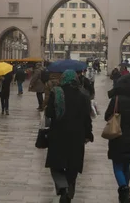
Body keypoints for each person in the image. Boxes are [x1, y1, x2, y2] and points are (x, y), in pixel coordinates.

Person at [45, 70, 93, 202]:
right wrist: (89, 134)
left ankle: (62, 186)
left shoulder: (57, 93)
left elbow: (49, 113)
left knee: (55, 165)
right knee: (73, 165)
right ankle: (69, 191)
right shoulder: (83, 95)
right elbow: (87, 118)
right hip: (77, 136)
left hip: (58, 135)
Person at [105, 74, 130, 203]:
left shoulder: (117, 99)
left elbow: (107, 116)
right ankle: (125, 193)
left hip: (118, 135)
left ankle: (124, 189)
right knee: (126, 165)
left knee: (117, 164)